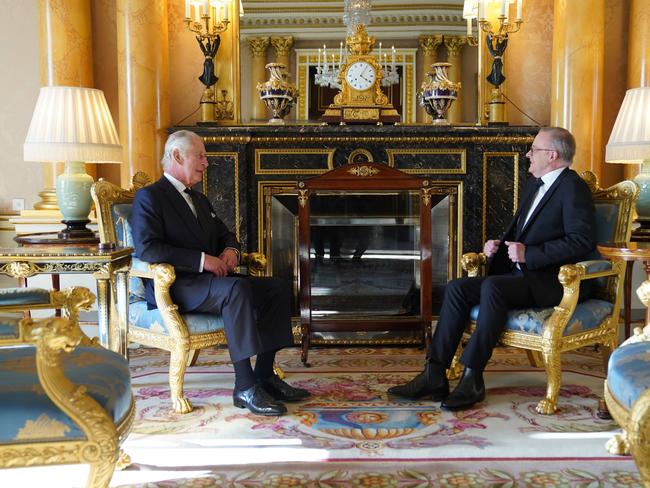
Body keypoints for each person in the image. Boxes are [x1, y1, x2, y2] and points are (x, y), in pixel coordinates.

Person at [388, 127, 597, 410]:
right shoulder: (534, 184)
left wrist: (529, 254)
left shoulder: (573, 188)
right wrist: (499, 247)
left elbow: (582, 241)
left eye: (533, 150)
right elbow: (525, 234)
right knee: (457, 287)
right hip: (521, 275)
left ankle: (472, 377)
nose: (527, 155)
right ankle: (434, 373)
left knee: (493, 286)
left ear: (552, 155)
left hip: (550, 281)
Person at [131, 130, 309, 416]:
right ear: (177, 156)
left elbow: (226, 234)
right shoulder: (150, 197)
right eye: (200, 156)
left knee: (276, 288)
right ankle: (245, 385)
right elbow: (149, 249)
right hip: (178, 285)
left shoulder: (199, 200)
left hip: (209, 283)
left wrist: (231, 252)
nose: (206, 163)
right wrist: (203, 261)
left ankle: (265, 376)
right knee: (236, 290)